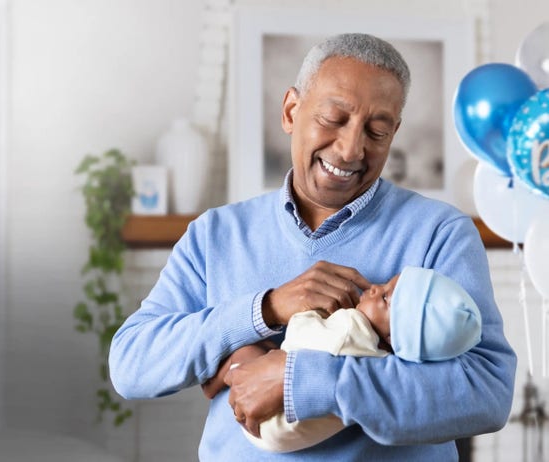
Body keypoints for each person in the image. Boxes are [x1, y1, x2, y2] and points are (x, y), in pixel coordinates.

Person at [109, 33, 516, 461]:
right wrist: (264, 310)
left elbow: (486, 389)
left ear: (394, 133)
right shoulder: (215, 234)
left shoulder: (440, 233)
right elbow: (132, 363)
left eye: (376, 131)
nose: (351, 148)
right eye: (334, 118)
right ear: (291, 110)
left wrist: (301, 381)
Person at [236, 266, 482, 453]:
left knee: (242, 358)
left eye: (385, 298)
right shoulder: (381, 359)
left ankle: (230, 366)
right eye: (386, 284)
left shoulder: (349, 330)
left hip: (267, 424)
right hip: (282, 437)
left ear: (393, 336)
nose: (374, 288)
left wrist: (312, 309)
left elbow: (300, 330)